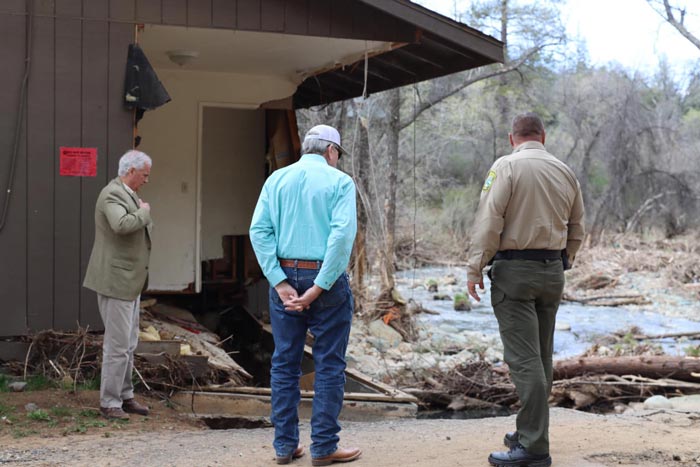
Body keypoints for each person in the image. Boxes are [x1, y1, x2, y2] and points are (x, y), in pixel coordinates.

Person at [466, 113, 585, 467]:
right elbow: (578, 226)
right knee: (542, 358)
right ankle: (529, 431)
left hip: (515, 271)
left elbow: (489, 222)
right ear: (543, 136)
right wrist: (565, 259)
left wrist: (474, 267)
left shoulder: (506, 167)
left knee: (524, 361)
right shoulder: (565, 171)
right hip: (553, 271)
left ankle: (533, 448)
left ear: (511, 137)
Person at [250, 124, 362, 466]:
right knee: (329, 363)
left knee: (284, 362)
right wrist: (317, 288)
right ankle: (324, 447)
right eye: (337, 154)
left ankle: (285, 447)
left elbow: (259, 231)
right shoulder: (340, 182)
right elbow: (341, 237)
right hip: (324, 282)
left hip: (283, 274)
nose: (337, 160)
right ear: (331, 151)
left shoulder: (277, 180)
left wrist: (280, 281)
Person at [83, 150, 153, 420]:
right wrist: (144, 213)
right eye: (144, 175)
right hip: (116, 279)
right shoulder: (112, 193)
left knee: (129, 342)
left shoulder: (128, 193)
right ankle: (110, 402)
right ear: (131, 171)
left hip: (128, 279)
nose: (147, 180)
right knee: (117, 344)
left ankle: (125, 396)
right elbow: (121, 225)